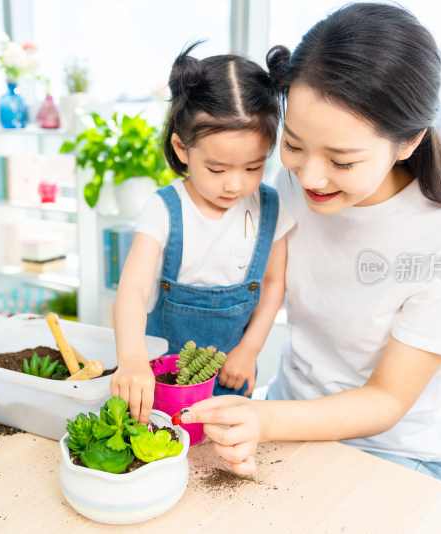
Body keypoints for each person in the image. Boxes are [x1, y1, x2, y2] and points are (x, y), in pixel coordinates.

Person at [178, 3, 441, 481]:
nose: (312, 175)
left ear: (409, 142)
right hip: (283, 422)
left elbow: (387, 400)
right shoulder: (292, 184)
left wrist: (263, 417)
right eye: (295, 145)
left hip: (391, 455)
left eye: (342, 161)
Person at [111, 42, 296, 424]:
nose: (234, 185)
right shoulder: (164, 209)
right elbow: (132, 288)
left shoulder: (271, 208)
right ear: (182, 148)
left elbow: (275, 285)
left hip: (233, 374)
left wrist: (249, 350)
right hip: (160, 379)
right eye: (217, 169)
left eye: (252, 168)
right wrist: (131, 359)